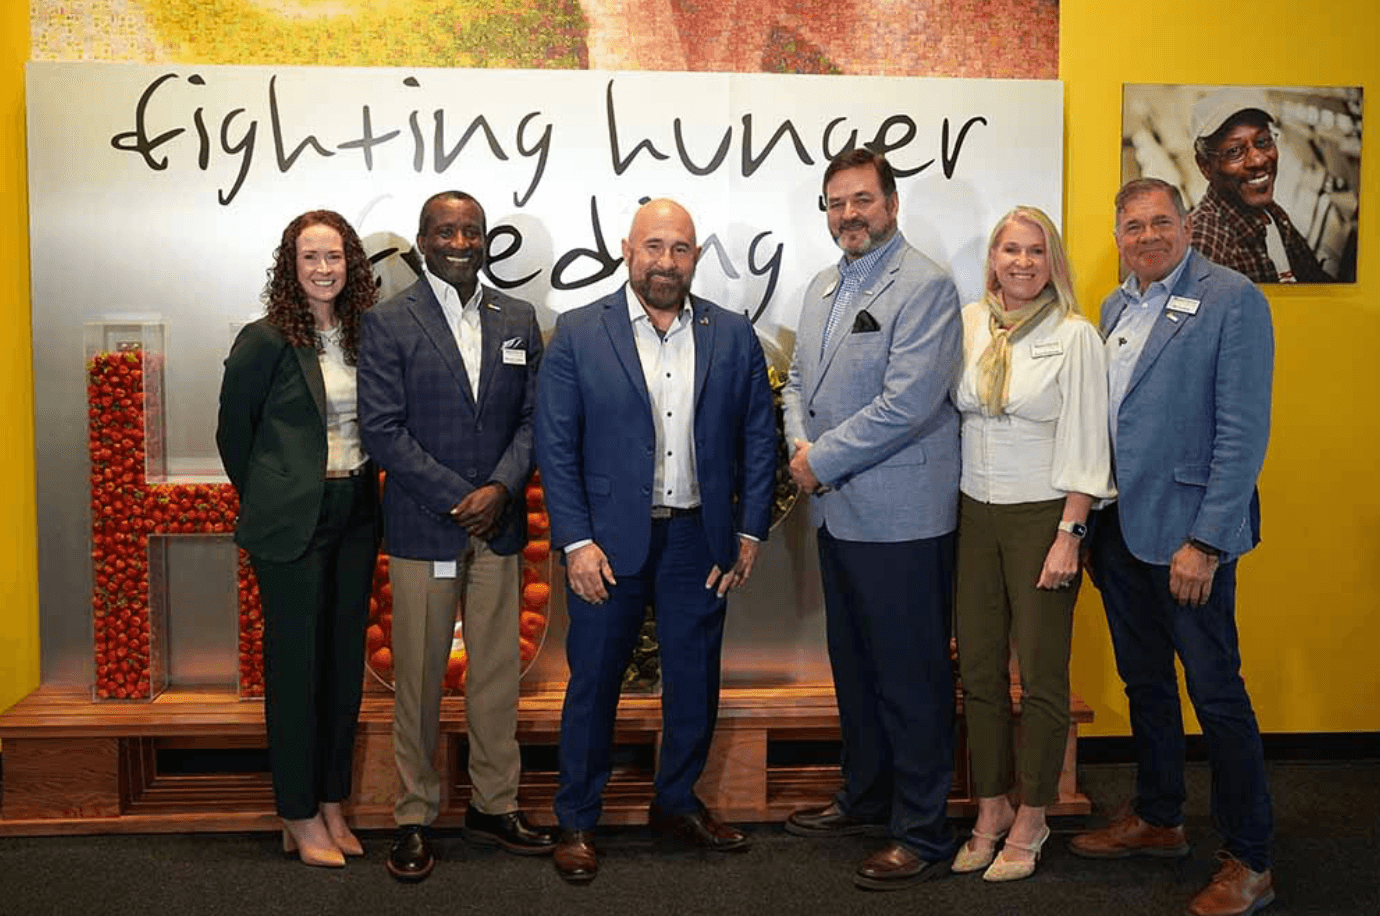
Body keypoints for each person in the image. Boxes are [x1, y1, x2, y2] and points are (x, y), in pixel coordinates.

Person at [534, 198, 777, 885]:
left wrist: (749, 529)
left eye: (679, 248)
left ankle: (676, 803)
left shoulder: (731, 335)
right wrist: (576, 542)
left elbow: (760, 437)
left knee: (694, 682)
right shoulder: (579, 332)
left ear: (694, 257)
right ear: (627, 250)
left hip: (699, 540)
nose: (665, 261)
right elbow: (556, 446)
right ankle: (577, 819)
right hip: (607, 546)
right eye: (654, 247)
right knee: (594, 684)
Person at [1070, 178, 1275, 916]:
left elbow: (1243, 432)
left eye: (1161, 222)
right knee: (1147, 685)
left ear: (1186, 224)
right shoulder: (1115, 306)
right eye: (1133, 226)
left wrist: (1208, 540)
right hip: (1123, 534)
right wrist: (1090, 525)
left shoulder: (1233, 300)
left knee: (1217, 695)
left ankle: (1250, 859)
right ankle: (1159, 817)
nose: (1148, 236)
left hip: (1191, 542)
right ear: (1118, 234)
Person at [781, 149, 963, 891]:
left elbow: (909, 403)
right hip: (838, 514)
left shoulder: (925, 285)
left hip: (903, 519)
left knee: (911, 677)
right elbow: (796, 379)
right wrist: (800, 441)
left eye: (861, 200)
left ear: (891, 202)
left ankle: (922, 831)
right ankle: (866, 797)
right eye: (836, 203)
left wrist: (817, 460)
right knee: (856, 671)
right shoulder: (824, 286)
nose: (848, 214)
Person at [358, 191, 553, 883]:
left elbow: (534, 419)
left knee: (496, 676)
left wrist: (498, 488)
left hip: (498, 528)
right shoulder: (387, 323)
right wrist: (455, 497)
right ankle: (413, 815)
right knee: (415, 676)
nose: (461, 241)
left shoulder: (519, 317)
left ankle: (495, 805)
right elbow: (382, 428)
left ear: (485, 241)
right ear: (423, 240)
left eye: (472, 230)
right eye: (447, 231)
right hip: (424, 528)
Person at [949, 207, 1115, 882]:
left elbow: (1087, 439)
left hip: (1042, 518)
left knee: (1043, 677)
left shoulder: (1075, 336)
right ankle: (990, 807)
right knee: (979, 672)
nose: (1022, 262)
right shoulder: (966, 325)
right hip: (973, 517)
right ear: (993, 257)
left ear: (1053, 263)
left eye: (1036, 252)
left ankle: (1034, 813)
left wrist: (1070, 534)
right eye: (1010, 249)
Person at [216, 209, 380, 868]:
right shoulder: (265, 340)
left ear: (351, 264)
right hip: (292, 523)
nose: (322, 269)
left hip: (358, 511)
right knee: (295, 671)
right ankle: (297, 811)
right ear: (291, 265)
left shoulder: (367, 335)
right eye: (310, 257)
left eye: (333, 256)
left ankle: (331, 802)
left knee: (342, 668)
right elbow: (234, 434)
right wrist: (275, 497)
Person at [1188, 87, 1330, 283]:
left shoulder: (1271, 214)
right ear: (1205, 166)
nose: (1258, 160)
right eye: (1234, 151)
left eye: (1263, 141)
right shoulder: (1207, 247)